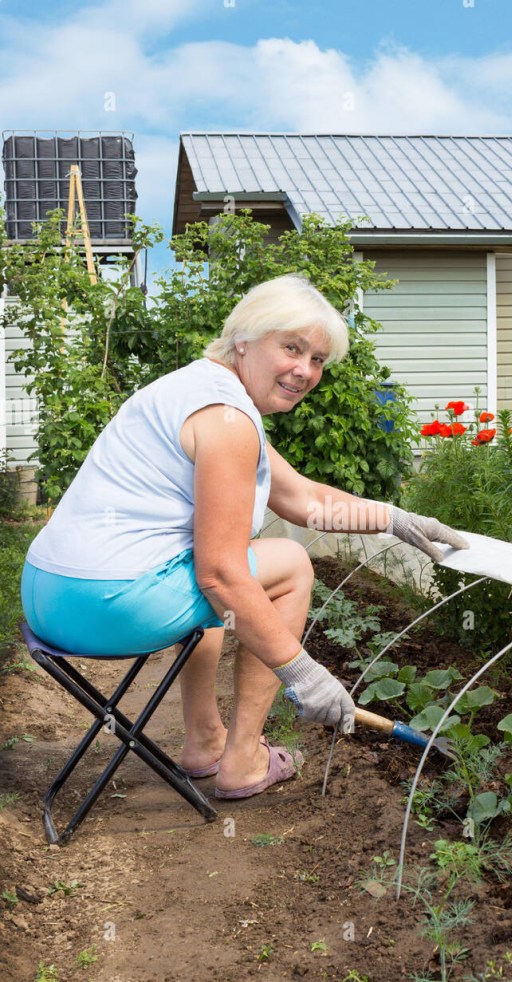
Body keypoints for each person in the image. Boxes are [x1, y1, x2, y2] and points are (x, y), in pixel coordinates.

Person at [21, 274, 468, 800]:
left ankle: (205, 741)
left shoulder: (198, 387)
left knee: (207, 572)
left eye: (318, 359)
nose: (305, 370)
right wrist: (304, 673)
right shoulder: (228, 418)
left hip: (50, 595)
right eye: (292, 348)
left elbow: (300, 499)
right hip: (107, 606)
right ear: (244, 339)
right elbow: (221, 573)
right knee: (285, 566)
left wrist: (393, 519)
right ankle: (244, 760)